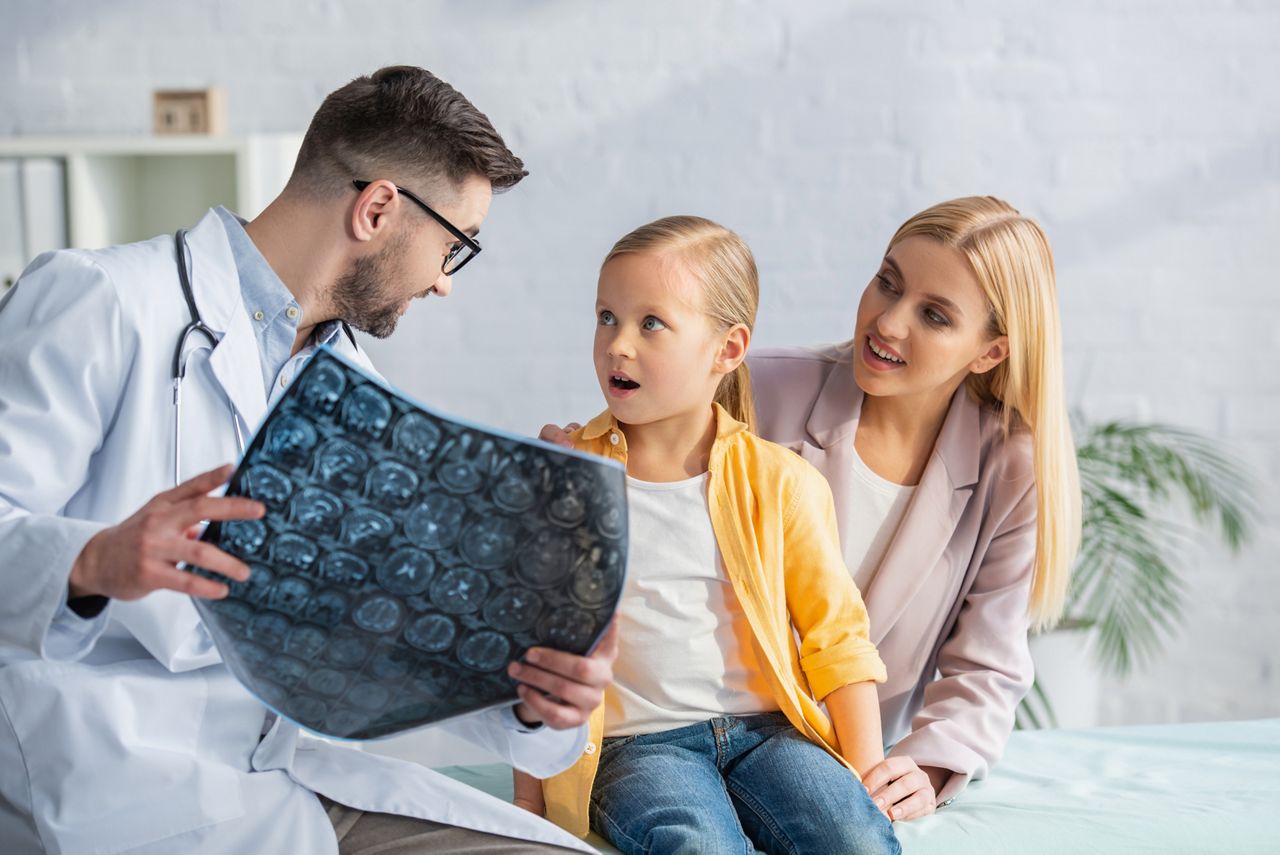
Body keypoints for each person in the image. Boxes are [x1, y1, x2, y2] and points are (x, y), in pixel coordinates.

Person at [0, 66, 613, 854]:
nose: (443, 284)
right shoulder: (102, 301)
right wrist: (93, 559)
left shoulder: (357, 393)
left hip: (288, 778)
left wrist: (534, 698)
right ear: (379, 207)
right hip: (113, 781)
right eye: (454, 247)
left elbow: (396, 637)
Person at [542, 196, 1081, 825]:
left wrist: (930, 765)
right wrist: (567, 466)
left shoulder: (1009, 465)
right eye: (887, 283)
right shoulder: (761, 385)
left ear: (989, 352)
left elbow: (987, 661)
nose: (888, 322)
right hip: (679, 732)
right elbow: (643, 453)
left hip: (825, 757)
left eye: (933, 315)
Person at [515, 216, 900, 855]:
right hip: (638, 747)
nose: (618, 345)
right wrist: (530, 805)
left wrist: (862, 779)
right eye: (606, 317)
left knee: (856, 840)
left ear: (727, 348)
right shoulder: (566, 479)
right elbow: (536, 653)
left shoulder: (782, 482)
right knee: (699, 846)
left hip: (769, 735)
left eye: (651, 323)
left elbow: (839, 642)